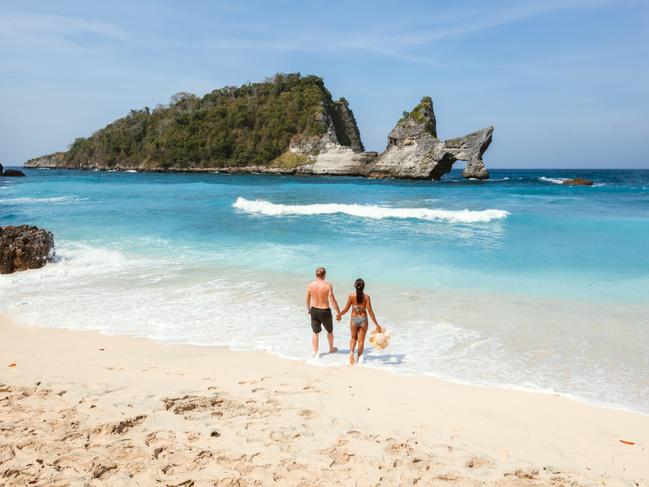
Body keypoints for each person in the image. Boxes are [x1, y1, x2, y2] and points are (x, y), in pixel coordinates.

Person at [337, 278, 382, 365]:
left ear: (355, 286)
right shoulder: (367, 297)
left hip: (354, 319)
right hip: (363, 320)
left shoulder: (351, 296)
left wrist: (339, 315)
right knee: (361, 341)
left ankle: (351, 354)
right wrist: (376, 324)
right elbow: (370, 311)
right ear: (364, 286)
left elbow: (346, 309)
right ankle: (359, 360)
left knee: (353, 338)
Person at [306, 267, 340, 358]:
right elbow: (332, 300)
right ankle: (331, 348)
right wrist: (338, 312)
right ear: (324, 275)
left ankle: (315, 352)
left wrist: (309, 310)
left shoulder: (310, 285)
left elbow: (307, 300)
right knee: (329, 331)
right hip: (325, 311)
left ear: (316, 275)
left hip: (314, 310)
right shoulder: (327, 285)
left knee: (315, 332)